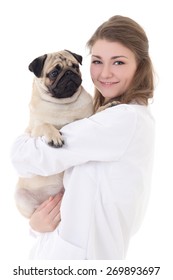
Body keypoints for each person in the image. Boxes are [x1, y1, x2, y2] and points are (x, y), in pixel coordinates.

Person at [11, 15, 155, 260]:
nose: (105, 72)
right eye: (97, 61)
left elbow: (22, 158)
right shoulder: (108, 116)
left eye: (118, 62)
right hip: (59, 251)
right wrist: (36, 226)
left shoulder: (121, 119)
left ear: (140, 66)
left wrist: (26, 140)